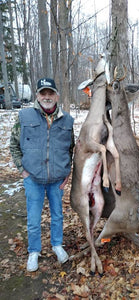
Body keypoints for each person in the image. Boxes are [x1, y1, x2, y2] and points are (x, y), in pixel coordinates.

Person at [10, 78, 75, 272]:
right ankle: (34, 252)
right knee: (33, 217)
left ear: (56, 95)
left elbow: (70, 149)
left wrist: (67, 172)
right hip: (33, 178)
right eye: (43, 93)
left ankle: (57, 245)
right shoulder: (23, 116)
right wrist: (22, 168)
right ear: (37, 95)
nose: (47, 97)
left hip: (57, 180)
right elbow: (14, 144)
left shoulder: (67, 120)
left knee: (57, 215)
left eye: (50, 93)